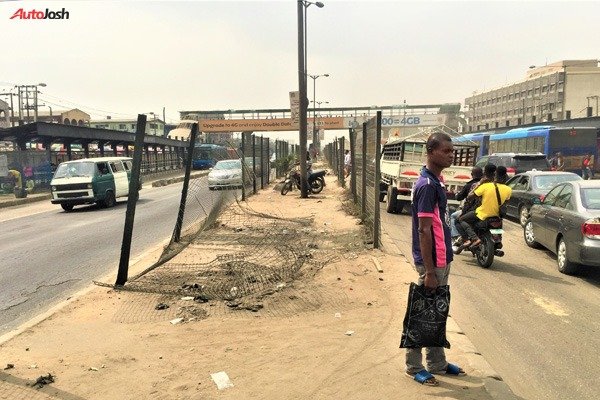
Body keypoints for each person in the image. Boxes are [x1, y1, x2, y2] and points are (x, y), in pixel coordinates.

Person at [406, 131, 466, 386]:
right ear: (431, 152)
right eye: (446, 151)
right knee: (421, 312)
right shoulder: (427, 186)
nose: (451, 155)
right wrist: (429, 272)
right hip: (431, 263)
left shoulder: (436, 181)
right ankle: (413, 365)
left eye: (452, 151)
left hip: (442, 258)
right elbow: (424, 229)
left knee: (437, 312)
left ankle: (438, 363)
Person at [456, 165, 511, 249]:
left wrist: (479, 184)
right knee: (498, 221)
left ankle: (474, 238)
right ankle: (498, 240)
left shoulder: (486, 186)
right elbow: (506, 203)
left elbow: (469, 197)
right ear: (504, 177)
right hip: (496, 215)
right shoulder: (508, 189)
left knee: (461, 219)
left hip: (482, 214)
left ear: (495, 175)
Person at [450, 166, 483, 248]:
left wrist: (456, 193)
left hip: (473, 211)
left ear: (472, 174)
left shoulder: (470, 185)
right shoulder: (489, 184)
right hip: (488, 211)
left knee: (454, 217)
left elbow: (459, 198)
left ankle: (459, 238)